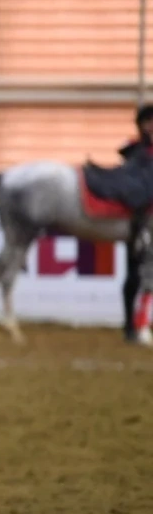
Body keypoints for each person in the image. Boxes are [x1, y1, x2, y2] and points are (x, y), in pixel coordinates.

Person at [119, 103, 153, 341]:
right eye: (147, 121)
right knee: (135, 274)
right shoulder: (133, 151)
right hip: (139, 222)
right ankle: (131, 325)